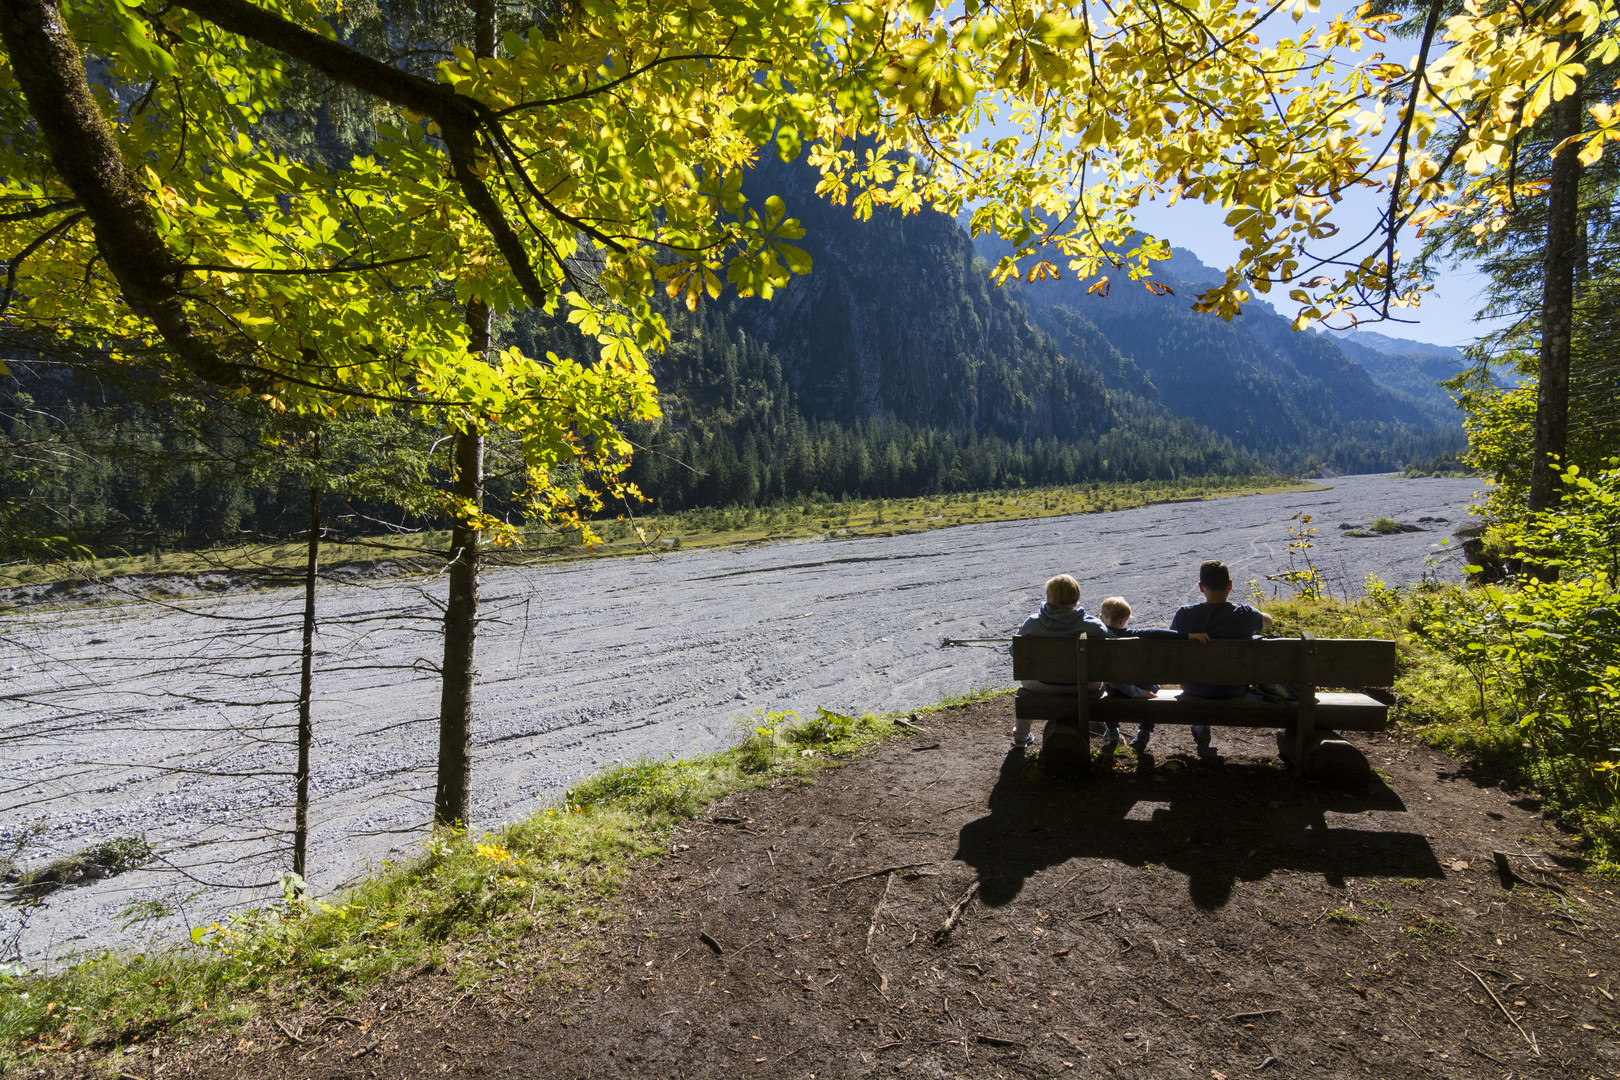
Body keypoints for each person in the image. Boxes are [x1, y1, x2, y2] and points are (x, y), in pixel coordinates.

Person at [1134, 559, 1273, 760]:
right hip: (1233, 689)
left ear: (1201, 587)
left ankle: (1200, 725)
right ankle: (1201, 727)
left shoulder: (1185, 614)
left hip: (1195, 688)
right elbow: (1268, 621)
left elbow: (1171, 649)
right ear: (1230, 585)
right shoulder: (1245, 613)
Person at [1011, 574, 1107, 748]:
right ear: (1077, 597)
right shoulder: (1095, 626)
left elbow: (1014, 652)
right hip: (1085, 685)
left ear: (1049, 597)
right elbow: (1108, 657)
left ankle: (1021, 737)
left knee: (1027, 684)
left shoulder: (1033, 623)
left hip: (1041, 685)